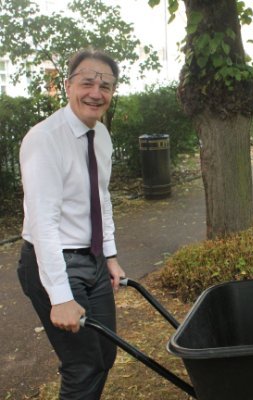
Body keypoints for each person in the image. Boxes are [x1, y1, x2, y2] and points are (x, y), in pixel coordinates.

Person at [18, 48, 125, 399]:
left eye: (106, 85)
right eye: (88, 82)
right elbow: (43, 223)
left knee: (104, 354)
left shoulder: (102, 137)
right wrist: (60, 296)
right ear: (68, 85)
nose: (96, 92)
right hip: (54, 261)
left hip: (92, 261)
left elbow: (101, 199)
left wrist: (109, 255)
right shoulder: (44, 140)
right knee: (83, 365)